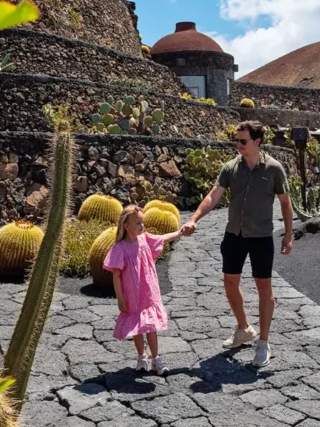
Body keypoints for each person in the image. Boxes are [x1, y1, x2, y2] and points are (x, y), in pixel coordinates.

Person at [181, 120, 293, 368]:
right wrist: (194, 219)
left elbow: (285, 203)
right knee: (230, 283)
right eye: (237, 140)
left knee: (264, 287)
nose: (238, 145)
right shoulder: (230, 168)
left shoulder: (274, 169)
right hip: (234, 234)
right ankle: (244, 328)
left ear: (257, 141)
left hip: (261, 236)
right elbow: (213, 195)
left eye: (243, 141)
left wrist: (288, 234)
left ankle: (263, 343)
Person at [104, 205, 183, 375]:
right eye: (138, 223)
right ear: (126, 226)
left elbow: (162, 238)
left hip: (149, 291)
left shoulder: (145, 239)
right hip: (132, 293)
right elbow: (116, 275)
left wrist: (179, 233)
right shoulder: (120, 249)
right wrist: (120, 298)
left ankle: (156, 359)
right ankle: (142, 357)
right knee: (136, 326)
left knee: (151, 325)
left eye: (142, 222)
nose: (142, 226)